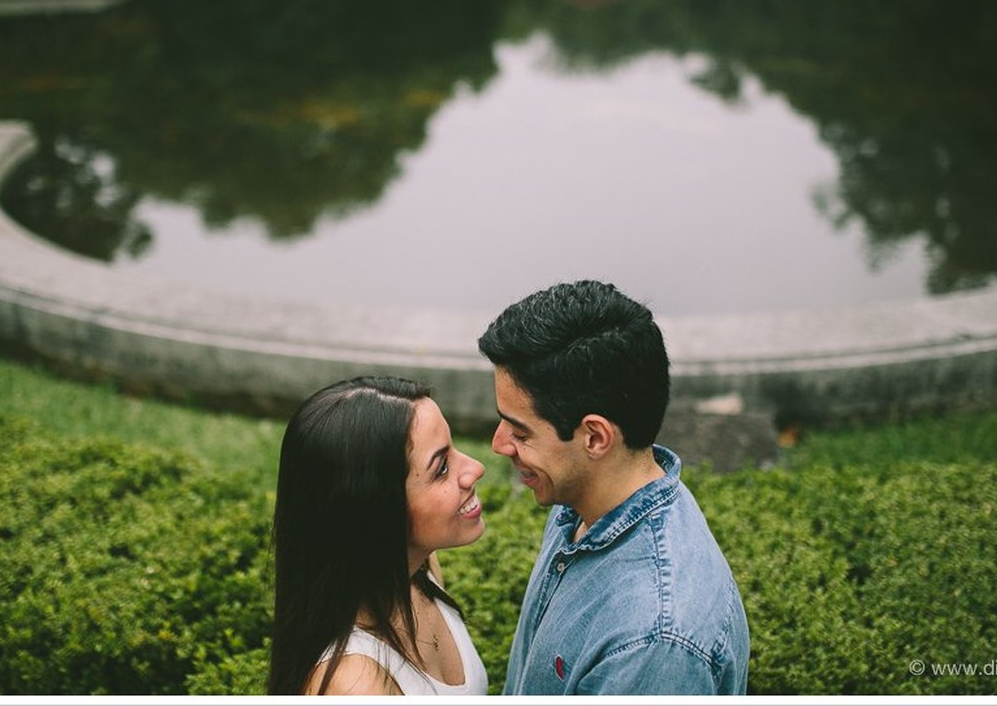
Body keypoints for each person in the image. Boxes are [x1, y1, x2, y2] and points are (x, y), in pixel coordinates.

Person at [478, 279, 750, 695]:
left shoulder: (654, 642)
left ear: (595, 438)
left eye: (521, 431)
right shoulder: (581, 500)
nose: (498, 445)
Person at [267, 376, 489, 695]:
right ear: (376, 508)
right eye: (441, 468)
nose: (475, 468)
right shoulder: (355, 685)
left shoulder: (419, 569)